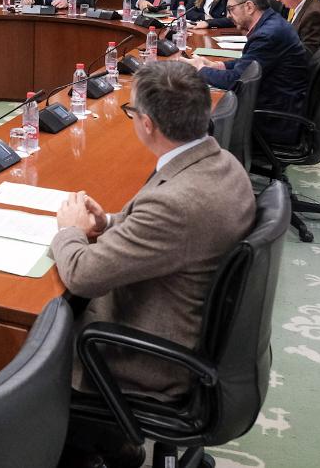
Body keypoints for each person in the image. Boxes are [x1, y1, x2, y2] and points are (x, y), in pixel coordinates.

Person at [53, 61, 255, 467]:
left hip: (149, 358)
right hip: (189, 327)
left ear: (146, 123)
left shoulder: (174, 204)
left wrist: (70, 231)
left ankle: (104, 442)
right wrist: (107, 222)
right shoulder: (222, 163)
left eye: (130, 112)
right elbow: (166, 226)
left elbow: (83, 275)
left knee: (33, 339)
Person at [185, 0, 309, 145]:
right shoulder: (271, 24)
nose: (228, 15)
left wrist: (200, 69)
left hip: (272, 119)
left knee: (195, 112)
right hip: (276, 105)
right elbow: (249, 64)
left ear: (249, 7)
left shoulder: (267, 35)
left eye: (231, 9)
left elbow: (236, 81)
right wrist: (217, 65)